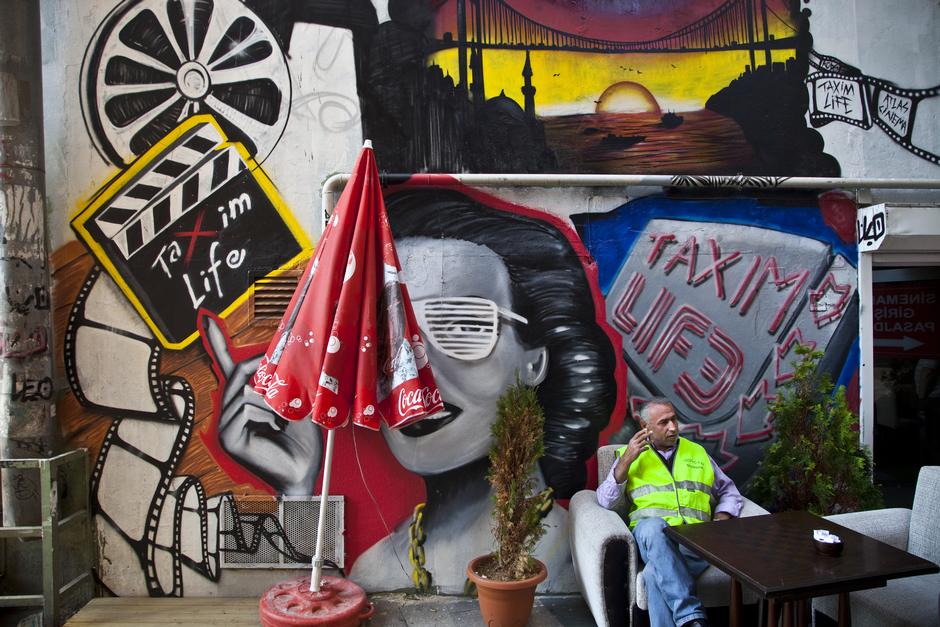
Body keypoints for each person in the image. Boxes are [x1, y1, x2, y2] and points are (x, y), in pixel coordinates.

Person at [349, 187, 622, 593]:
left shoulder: (575, 560)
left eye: (462, 326)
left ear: (535, 361)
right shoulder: (373, 571)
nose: (415, 373)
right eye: (390, 337)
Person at [597, 397, 743, 627]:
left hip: (695, 540)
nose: (673, 427)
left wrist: (721, 518)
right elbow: (605, 501)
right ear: (645, 427)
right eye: (664, 422)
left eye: (674, 419)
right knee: (654, 526)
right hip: (650, 537)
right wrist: (625, 462)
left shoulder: (697, 453)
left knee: (652, 575)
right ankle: (691, 615)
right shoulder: (629, 456)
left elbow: (730, 492)